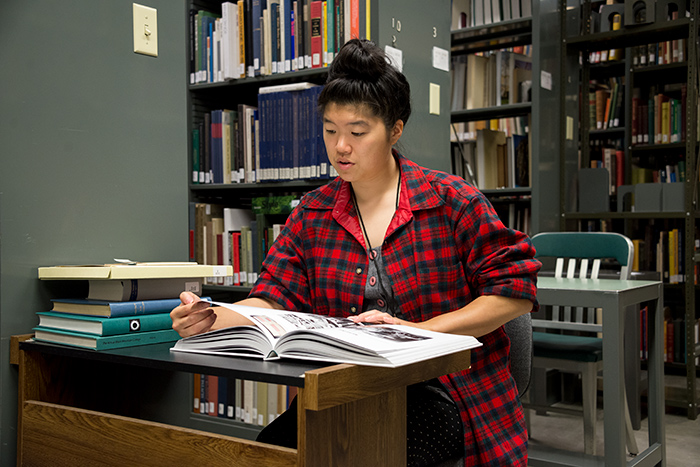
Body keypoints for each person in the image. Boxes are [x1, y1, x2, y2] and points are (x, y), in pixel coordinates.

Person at [171, 38, 541, 466]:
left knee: (364, 454)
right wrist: (211, 317)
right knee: (264, 456)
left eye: (357, 132)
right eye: (330, 131)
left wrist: (422, 330)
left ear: (395, 130)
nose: (340, 146)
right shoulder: (314, 212)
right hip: (346, 388)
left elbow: (515, 290)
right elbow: (273, 298)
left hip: (448, 391)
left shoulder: (451, 201)